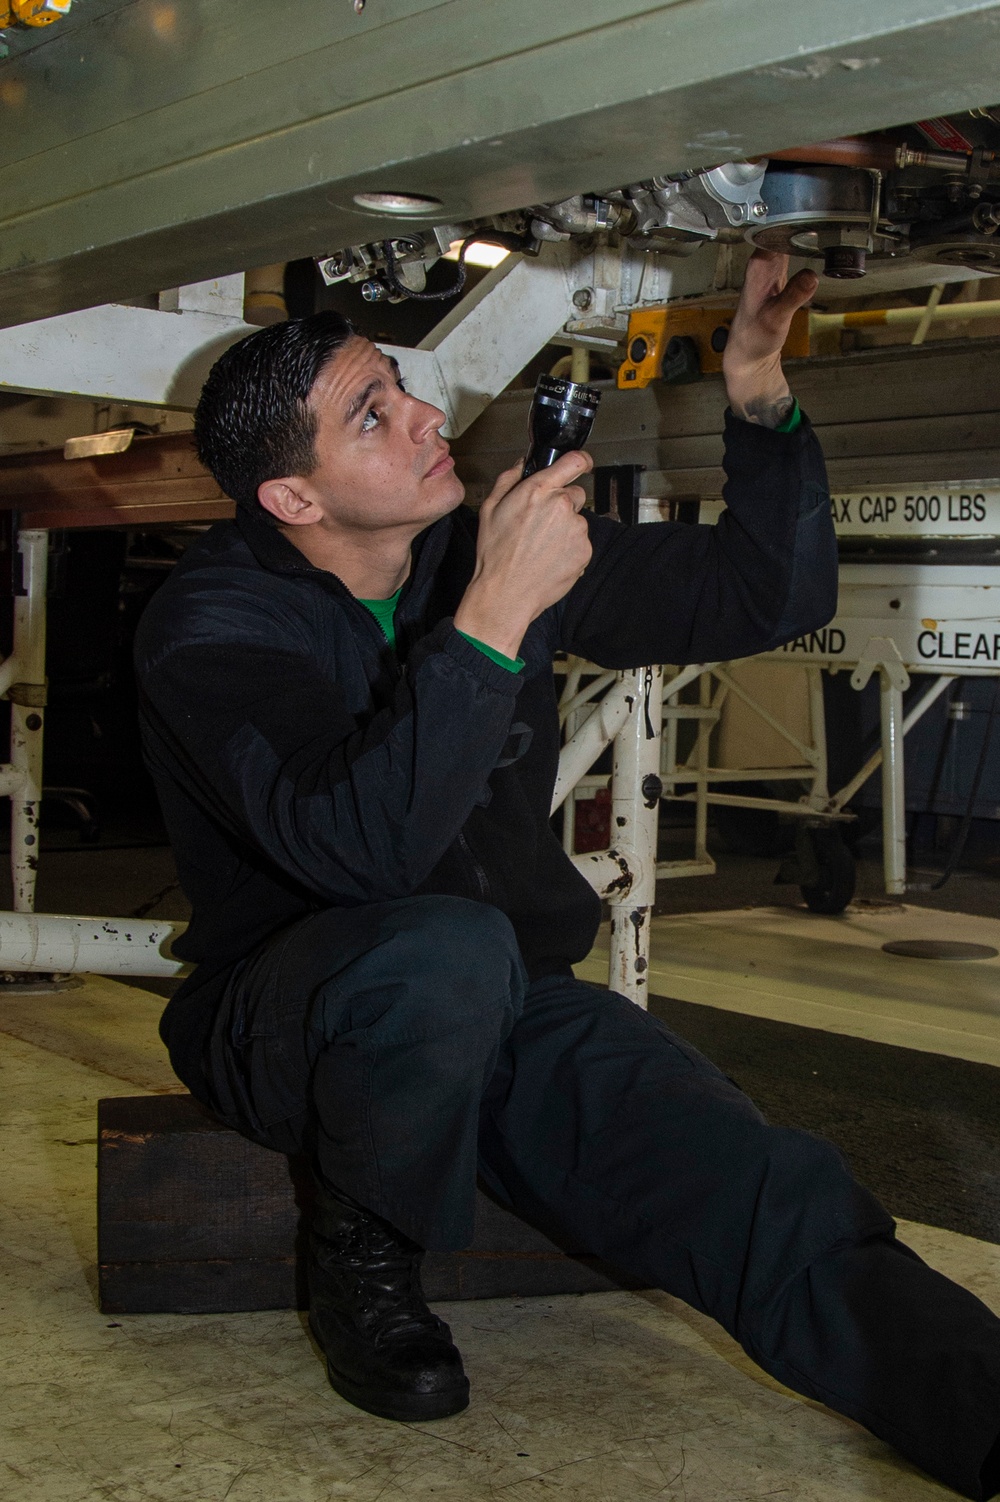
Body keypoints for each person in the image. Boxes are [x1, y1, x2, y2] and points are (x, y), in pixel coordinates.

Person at [135, 250, 1000, 1499]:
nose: (428, 417)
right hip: (293, 1016)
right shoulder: (212, 624)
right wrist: (494, 613)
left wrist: (755, 390)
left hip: (507, 1010)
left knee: (758, 1183)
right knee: (439, 946)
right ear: (293, 497)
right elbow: (356, 853)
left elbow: (770, 590)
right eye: (371, 416)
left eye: (400, 386)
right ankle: (360, 1252)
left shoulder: (459, 556)